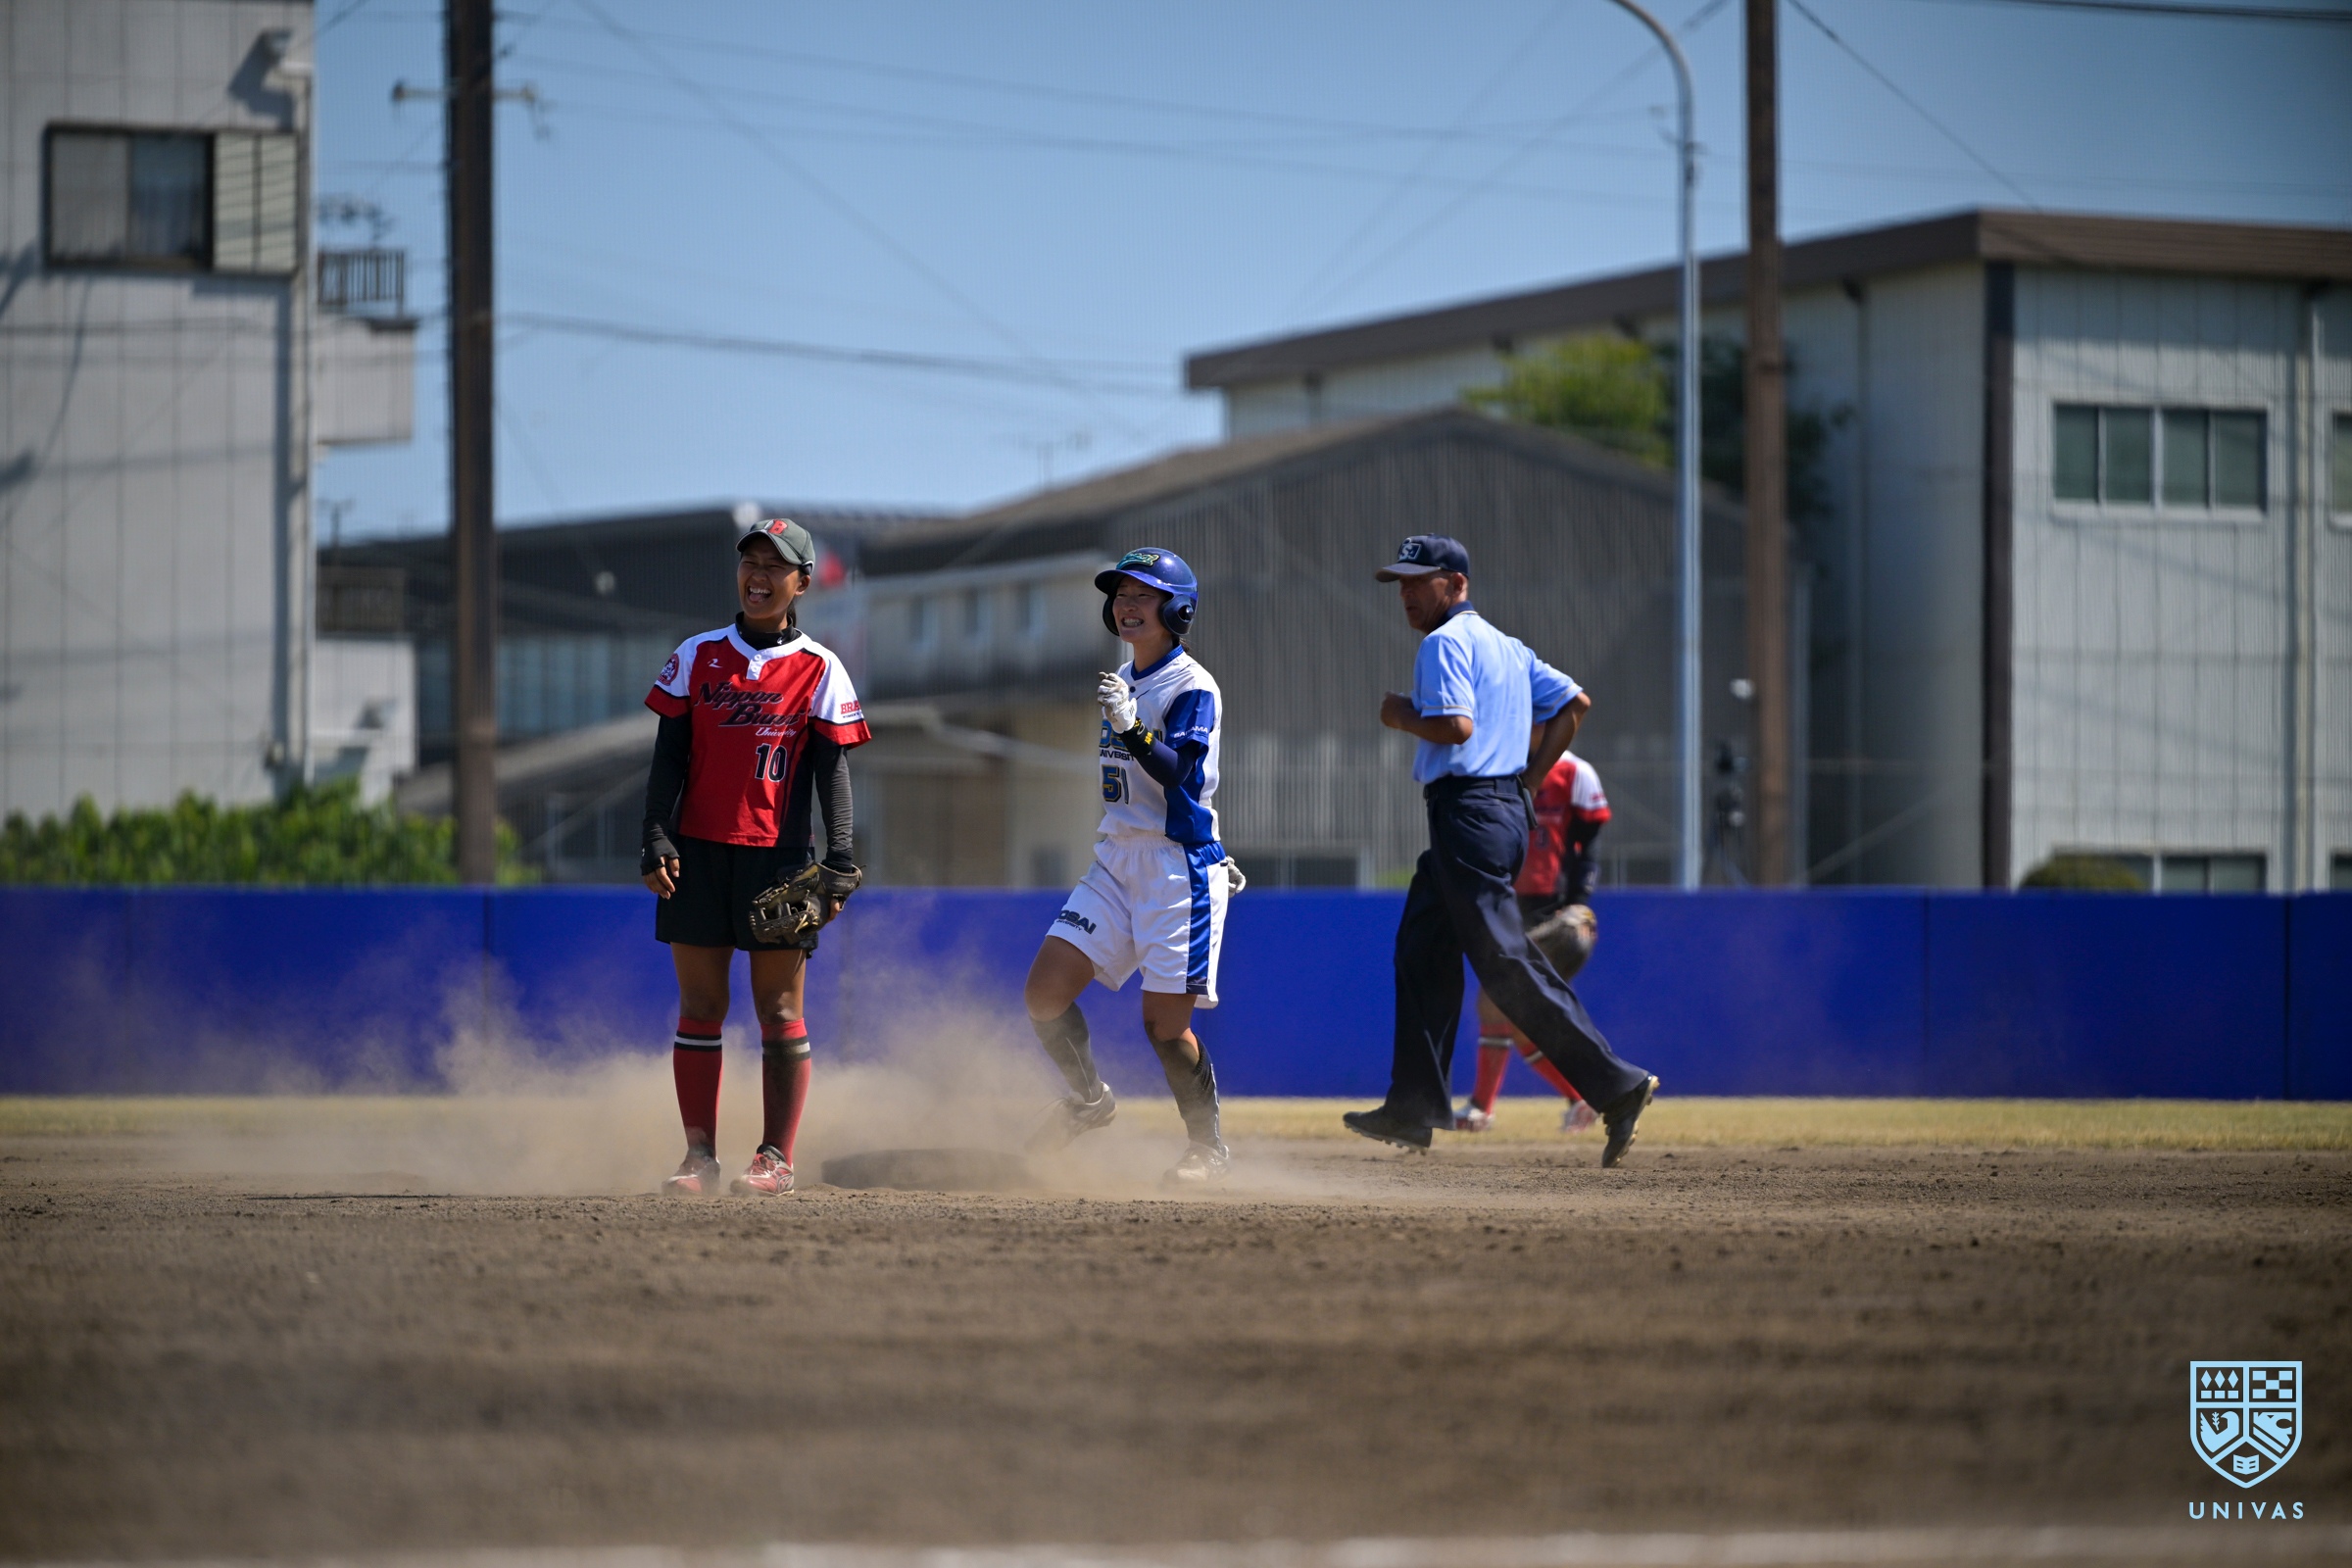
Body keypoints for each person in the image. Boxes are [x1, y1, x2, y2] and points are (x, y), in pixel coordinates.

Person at [1343, 534, 1657, 1168]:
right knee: (1421, 949)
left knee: (1506, 963)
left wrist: (1401, 715)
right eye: (1401, 584)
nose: (1406, 594)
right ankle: (1412, 1108)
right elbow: (1574, 704)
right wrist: (1530, 785)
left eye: (1419, 581)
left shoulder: (1444, 643)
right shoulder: (1508, 647)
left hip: (1468, 811)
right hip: (1497, 811)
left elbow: (1454, 726)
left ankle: (1616, 1085)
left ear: (1457, 584)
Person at [640, 517, 870, 1197]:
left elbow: (832, 773)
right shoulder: (698, 654)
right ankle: (699, 1157)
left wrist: (841, 858)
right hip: (697, 854)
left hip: (779, 858)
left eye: (776, 565)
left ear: (803, 583)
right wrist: (654, 834)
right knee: (700, 1005)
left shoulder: (820, 667)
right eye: (750, 562)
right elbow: (668, 758)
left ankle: (776, 1159)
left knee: (778, 1009)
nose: (759, 576)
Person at [1022, 547, 1242, 1187]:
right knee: (1044, 994)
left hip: (1177, 867)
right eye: (1120, 595)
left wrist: (1131, 726)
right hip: (1118, 857)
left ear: (1178, 609)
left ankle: (1207, 1147)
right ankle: (1090, 1100)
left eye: (1143, 595)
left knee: (1165, 1027)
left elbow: (1182, 775)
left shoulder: (1192, 685)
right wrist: (1127, 718)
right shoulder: (1126, 677)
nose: (1127, 605)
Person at [1456, 749, 1611, 1134]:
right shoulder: (1498, 760)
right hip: (1506, 903)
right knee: (1517, 1018)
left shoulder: (1574, 771)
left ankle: (1482, 1109)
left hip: (1552, 911)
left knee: (1496, 1000)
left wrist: (1578, 904)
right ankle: (1583, 1099)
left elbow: (1589, 848)